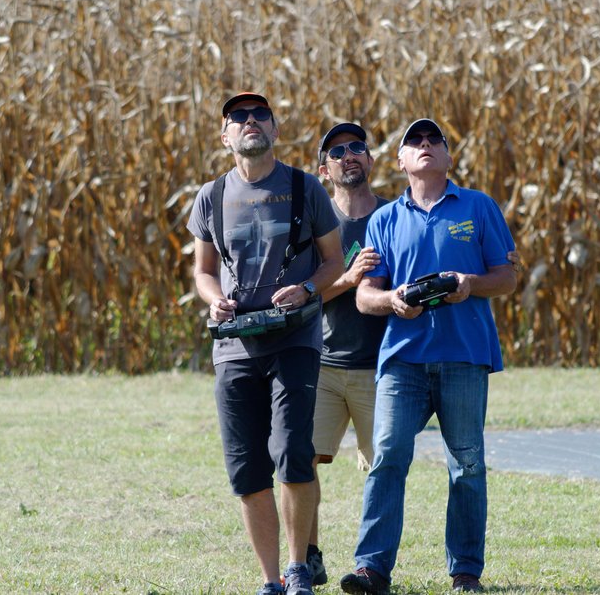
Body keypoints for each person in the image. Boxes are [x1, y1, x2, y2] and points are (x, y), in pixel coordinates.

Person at [339, 118, 518, 595]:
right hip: (403, 361)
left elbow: (507, 278)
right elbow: (365, 297)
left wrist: (469, 284)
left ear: (448, 156)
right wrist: (394, 300)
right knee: (387, 456)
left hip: (464, 356)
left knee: (467, 464)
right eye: (414, 141)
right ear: (400, 161)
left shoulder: (478, 207)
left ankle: (465, 572)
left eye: (433, 140)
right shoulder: (384, 220)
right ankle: (371, 569)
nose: (424, 145)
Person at [187, 92, 345, 595]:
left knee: (293, 452)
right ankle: (271, 579)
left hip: (294, 341)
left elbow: (334, 261)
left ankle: (298, 569)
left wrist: (307, 289)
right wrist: (214, 299)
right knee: (246, 467)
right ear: (225, 136)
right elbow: (203, 271)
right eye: (239, 117)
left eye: (260, 116)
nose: (250, 121)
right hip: (234, 349)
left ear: (275, 130)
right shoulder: (211, 196)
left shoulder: (304, 187)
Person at [305, 123, 389, 586]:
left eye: (357, 147)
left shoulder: (394, 216)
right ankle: (308, 557)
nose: (349, 155)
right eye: (336, 152)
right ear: (324, 170)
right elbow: (300, 297)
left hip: (382, 368)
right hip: (323, 366)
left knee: (384, 469)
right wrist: (349, 279)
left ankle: (369, 565)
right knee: (301, 461)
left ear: (370, 160)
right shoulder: (316, 225)